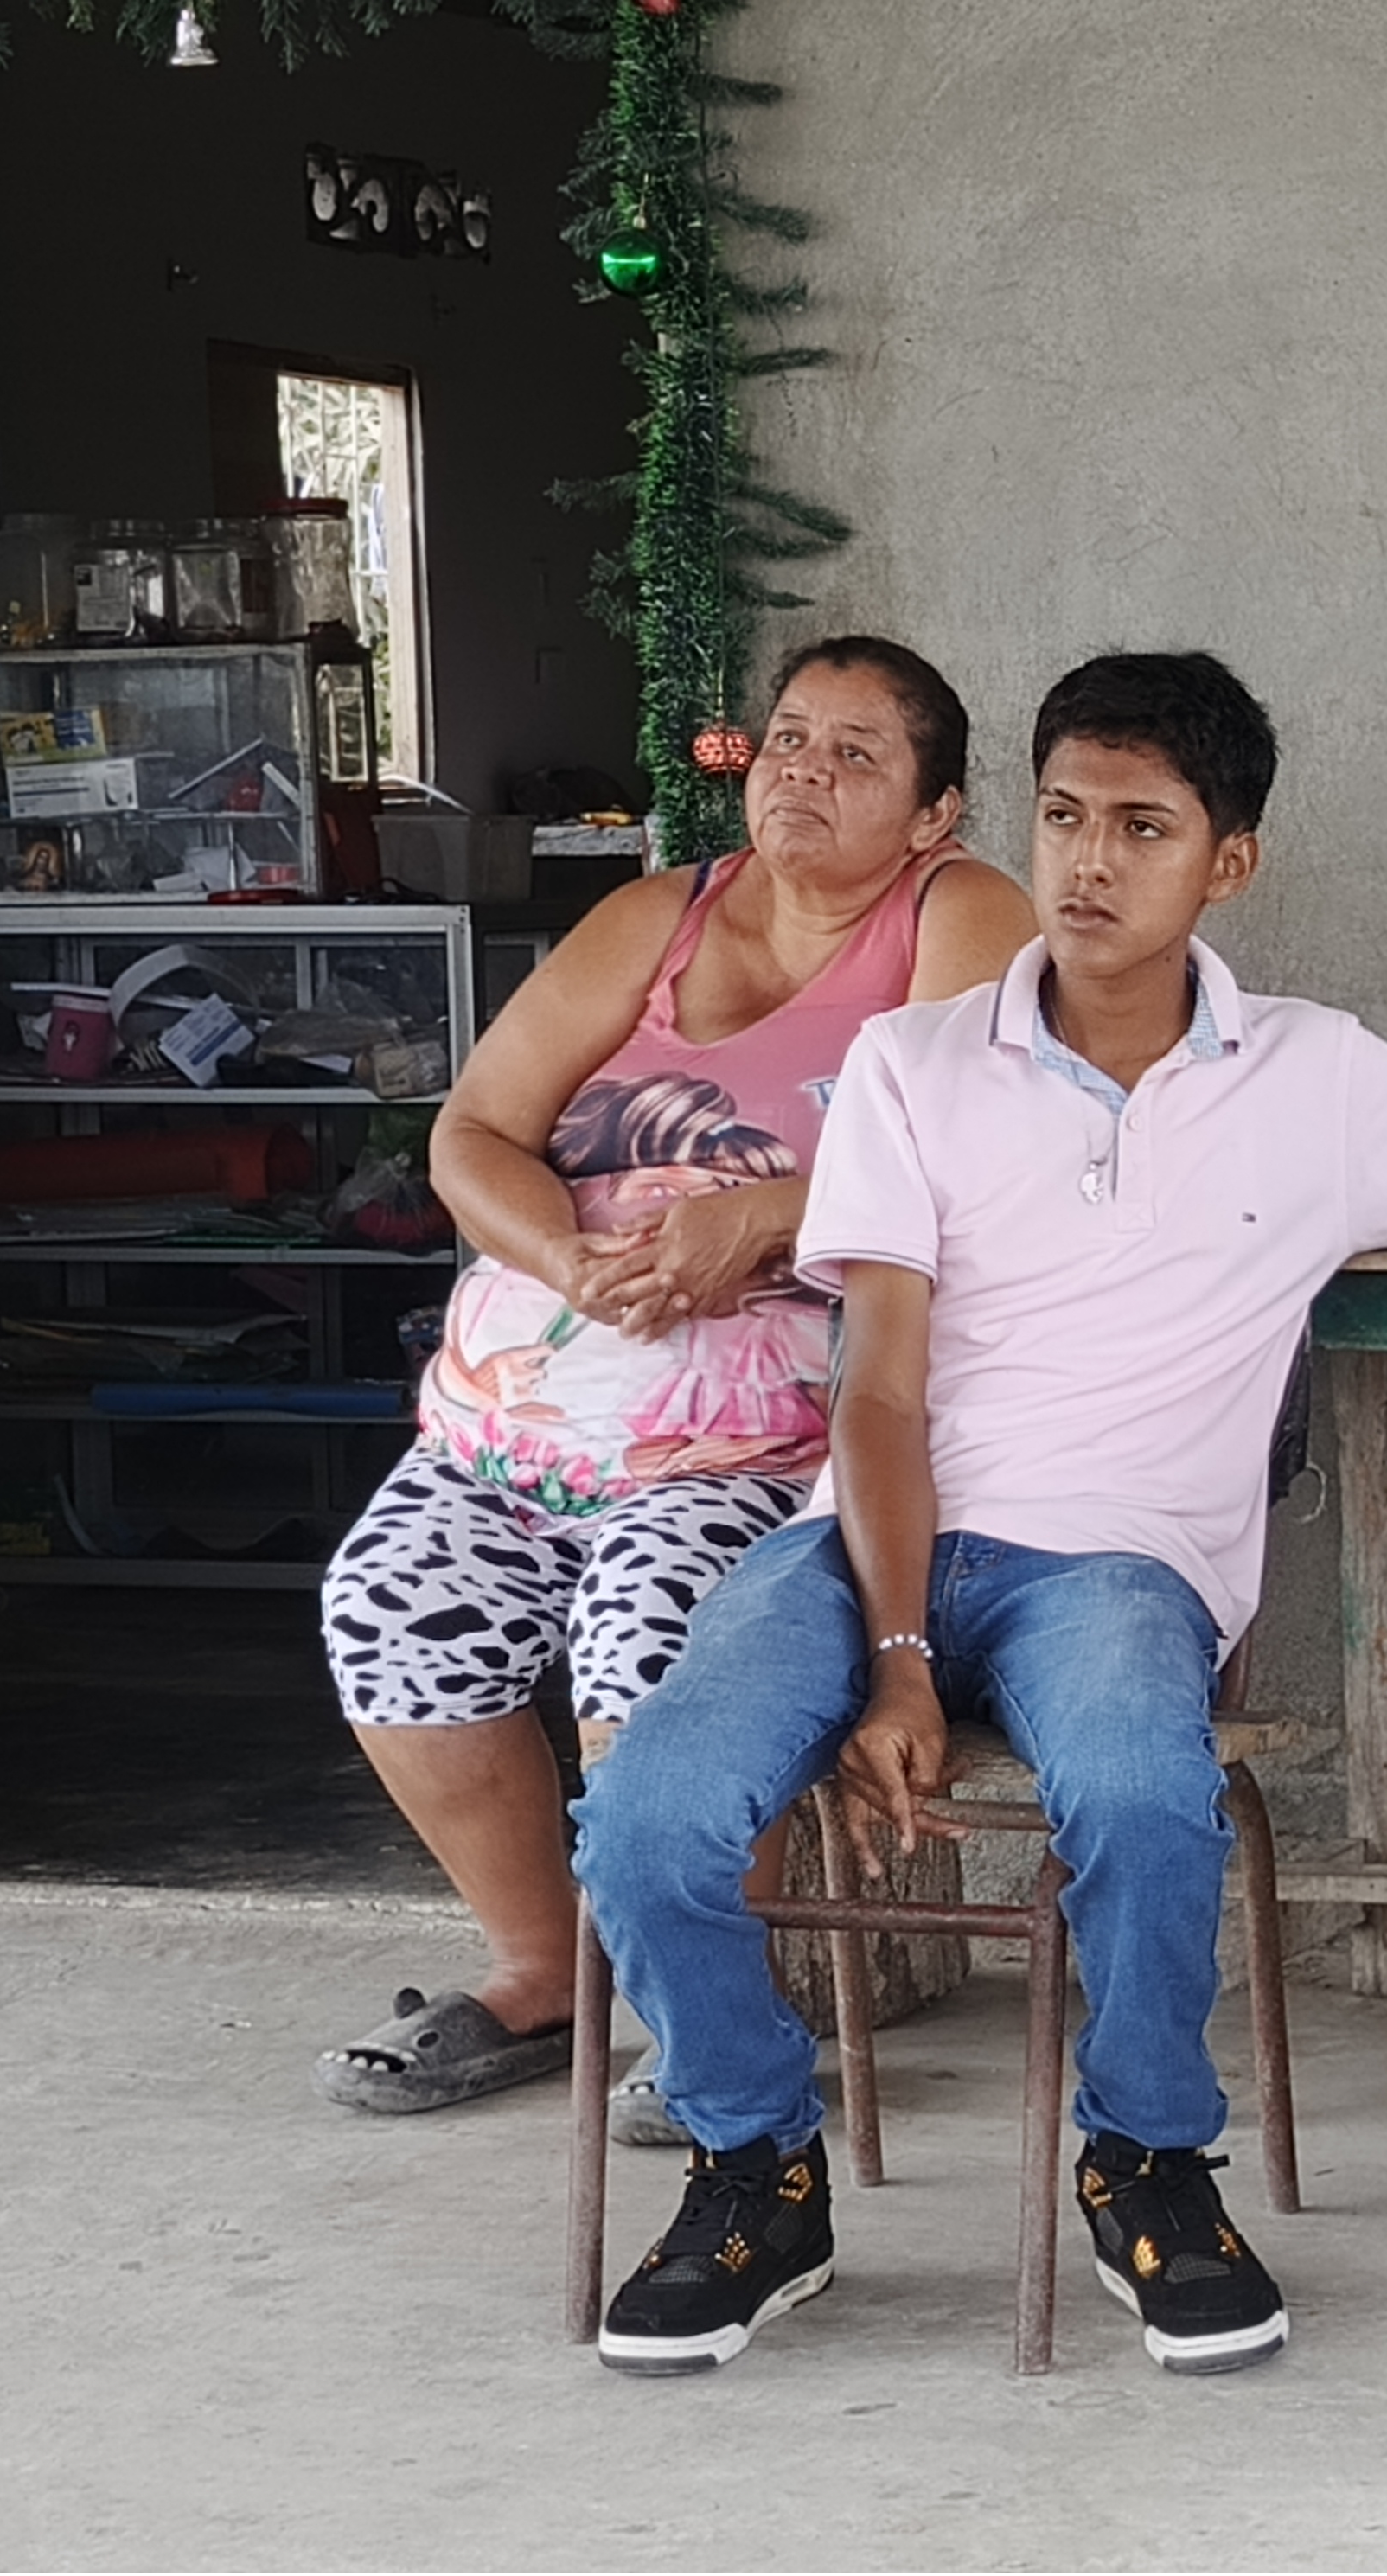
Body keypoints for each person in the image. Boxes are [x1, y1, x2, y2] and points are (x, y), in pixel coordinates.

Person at [570, 648, 1387, 2375]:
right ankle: (757, 2166)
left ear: (1229, 862)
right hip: (865, 1546)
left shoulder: (1317, 1077)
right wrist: (896, 1655)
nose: (1089, 862)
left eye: (1142, 827)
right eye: (1063, 816)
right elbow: (879, 1391)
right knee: (647, 1810)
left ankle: (1142, 2158)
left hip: (1117, 1566)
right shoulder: (916, 1064)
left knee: (1143, 1795)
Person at [313, 637, 1036, 2115]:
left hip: (767, 1441)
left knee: (654, 1639)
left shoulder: (958, 914)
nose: (805, 772)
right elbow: (471, 1136)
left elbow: (991, 1155)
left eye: (857, 754)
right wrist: (570, 1261)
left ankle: (704, 2012)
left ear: (934, 812)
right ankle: (541, 1972)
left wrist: (768, 1214)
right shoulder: (659, 913)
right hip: (530, 1413)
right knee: (387, 1605)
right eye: (789, 739)